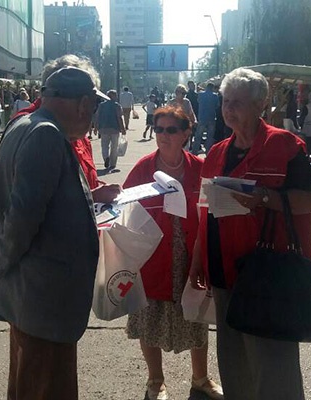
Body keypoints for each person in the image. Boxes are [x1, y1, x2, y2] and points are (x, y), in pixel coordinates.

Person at [0, 66, 109, 400]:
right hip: (43, 297)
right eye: (92, 107)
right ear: (83, 104)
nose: (91, 116)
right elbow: (23, 216)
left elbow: (40, 199)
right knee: (48, 386)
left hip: (30, 296)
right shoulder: (46, 135)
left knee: (27, 382)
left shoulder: (23, 124)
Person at [189, 67, 311, 400]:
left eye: (238, 103)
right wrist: (197, 259)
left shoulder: (287, 146)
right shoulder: (217, 153)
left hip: (268, 274)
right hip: (224, 271)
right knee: (234, 362)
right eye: (225, 102)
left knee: (274, 365)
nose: (229, 109)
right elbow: (205, 211)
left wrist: (266, 197)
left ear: (260, 104)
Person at [124, 106, 224, 400]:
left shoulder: (199, 168)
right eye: (158, 129)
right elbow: (123, 210)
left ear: (186, 132)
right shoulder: (144, 168)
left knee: (196, 317)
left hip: (190, 253)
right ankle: (156, 381)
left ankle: (201, 378)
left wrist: (203, 257)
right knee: (148, 320)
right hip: (152, 257)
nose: (163, 135)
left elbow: (209, 214)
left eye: (170, 129)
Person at [7, 55, 120, 203]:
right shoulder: (41, 132)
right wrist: (92, 197)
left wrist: (98, 189)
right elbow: (31, 210)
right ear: (79, 102)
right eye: (93, 104)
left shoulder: (72, 129)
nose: (90, 112)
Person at [95, 89, 127, 170]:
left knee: (104, 146)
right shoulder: (117, 105)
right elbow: (119, 118)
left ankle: (106, 158)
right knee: (114, 146)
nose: (116, 97)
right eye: (115, 95)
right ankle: (113, 164)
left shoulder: (101, 105)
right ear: (113, 96)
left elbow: (97, 117)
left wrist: (96, 127)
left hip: (103, 128)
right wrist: (122, 128)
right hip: (115, 128)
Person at [192, 82, 218, 154]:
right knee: (210, 137)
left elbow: (198, 101)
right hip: (211, 117)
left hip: (202, 117)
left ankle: (194, 152)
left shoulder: (200, 94)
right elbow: (217, 106)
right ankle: (208, 152)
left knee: (198, 136)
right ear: (212, 88)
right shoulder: (215, 96)